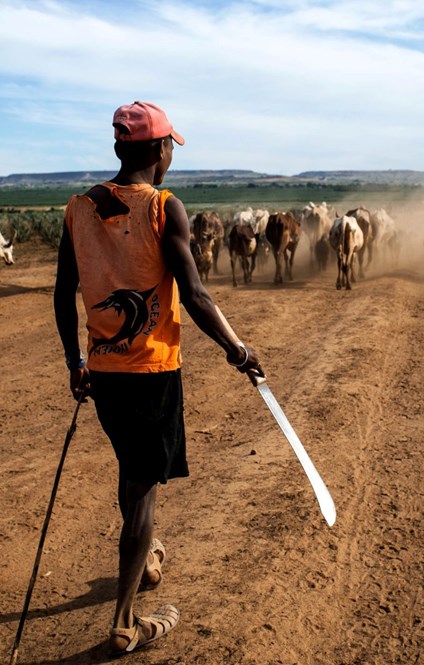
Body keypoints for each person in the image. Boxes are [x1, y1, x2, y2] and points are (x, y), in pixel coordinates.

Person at [53, 100, 262, 656]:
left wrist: (75, 361)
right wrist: (237, 351)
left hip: (102, 372)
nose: (171, 155)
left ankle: (145, 559)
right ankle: (124, 623)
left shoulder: (78, 208)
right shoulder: (164, 207)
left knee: (133, 471)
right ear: (157, 150)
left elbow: (61, 293)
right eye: (170, 145)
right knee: (142, 493)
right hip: (150, 373)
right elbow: (194, 294)